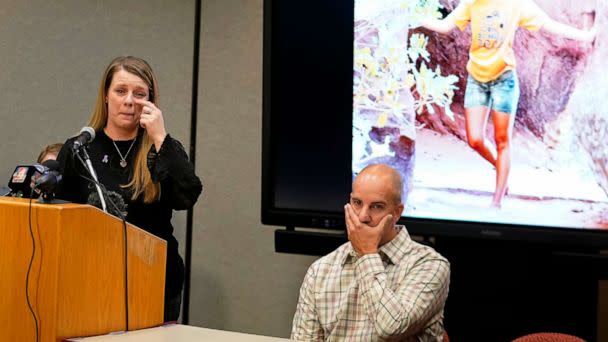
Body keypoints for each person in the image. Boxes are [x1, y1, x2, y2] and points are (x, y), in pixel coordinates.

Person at [56, 56, 202, 322]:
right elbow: (59, 217)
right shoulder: (80, 149)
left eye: (139, 94)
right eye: (120, 91)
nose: (129, 101)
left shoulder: (163, 149)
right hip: (93, 282)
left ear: (151, 101)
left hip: (155, 280)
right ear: (105, 95)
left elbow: (187, 195)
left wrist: (160, 136)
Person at [420, 0, 596, 207]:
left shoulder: (516, 4)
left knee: (502, 141)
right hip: (477, 80)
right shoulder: (472, 3)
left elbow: (549, 25)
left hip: (504, 81)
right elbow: (445, 26)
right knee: (475, 138)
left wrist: (586, 35)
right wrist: (411, 17)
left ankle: (497, 202)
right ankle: (501, 168)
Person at [291, 164, 450, 341]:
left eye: (377, 207)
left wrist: (366, 254)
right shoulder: (320, 270)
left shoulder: (429, 265)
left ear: (397, 212)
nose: (362, 217)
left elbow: (391, 327)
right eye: (357, 203)